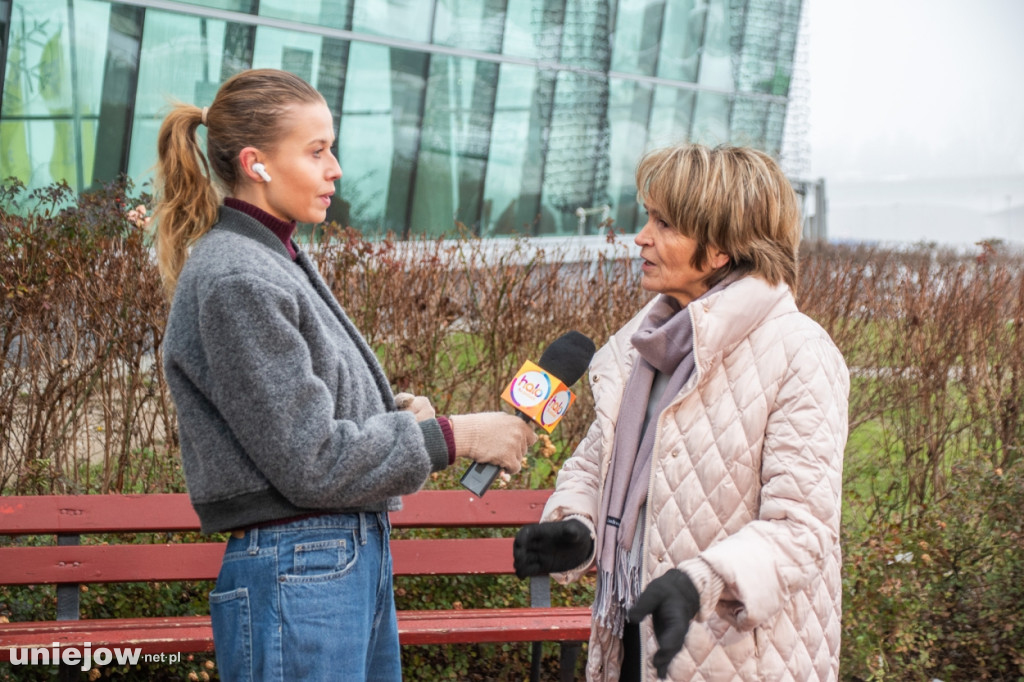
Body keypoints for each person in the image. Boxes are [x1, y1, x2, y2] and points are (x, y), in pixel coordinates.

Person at [154, 68, 536, 681]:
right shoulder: (239, 277)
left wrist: (393, 417)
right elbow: (312, 461)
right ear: (257, 163)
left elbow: (304, 421)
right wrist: (453, 436)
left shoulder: (272, 258)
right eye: (316, 150)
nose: (335, 167)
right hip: (301, 566)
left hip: (328, 562)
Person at [513, 144, 849, 681]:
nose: (641, 236)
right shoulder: (638, 349)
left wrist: (701, 580)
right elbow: (590, 467)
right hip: (630, 639)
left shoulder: (799, 352)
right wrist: (575, 528)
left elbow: (802, 529)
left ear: (719, 249)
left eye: (664, 223)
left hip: (736, 660)